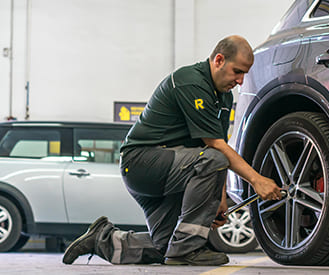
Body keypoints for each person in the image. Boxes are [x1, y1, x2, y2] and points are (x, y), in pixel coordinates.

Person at [62, 35, 282, 266]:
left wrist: (219, 197)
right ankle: (187, 250)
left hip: (171, 169)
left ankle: (102, 239)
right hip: (143, 162)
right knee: (213, 160)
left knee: (165, 247)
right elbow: (215, 148)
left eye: (245, 74)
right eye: (237, 71)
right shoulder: (191, 82)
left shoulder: (224, 97)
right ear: (218, 60)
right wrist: (257, 180)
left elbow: (219, 145)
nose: (240, 81)